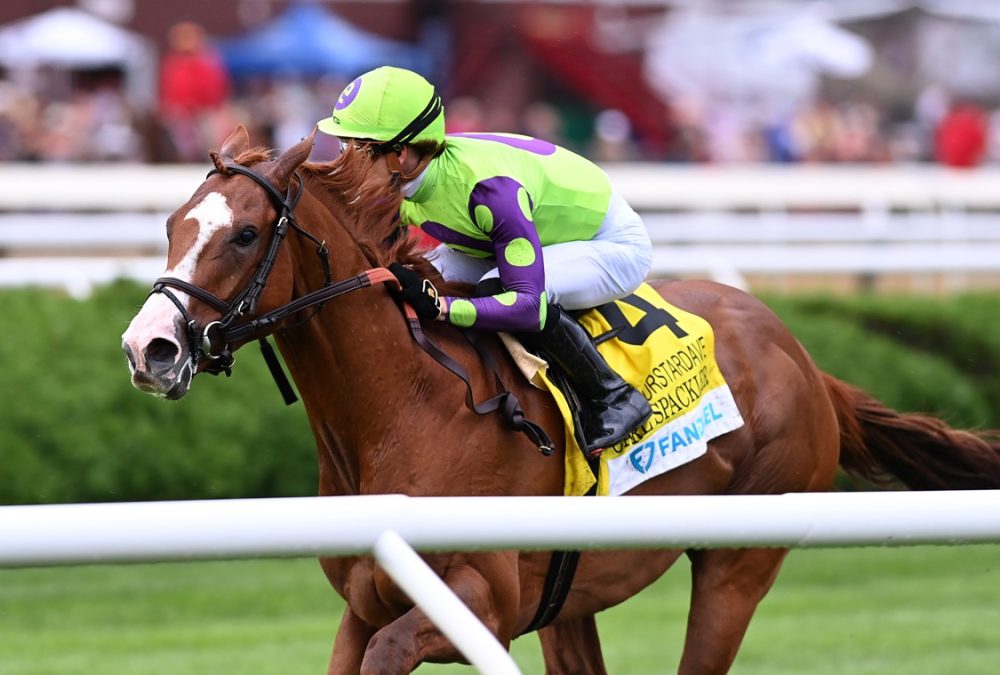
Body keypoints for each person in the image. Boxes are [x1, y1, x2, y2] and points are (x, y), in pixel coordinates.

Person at [317, 66, 652, 455]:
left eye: (355, 148)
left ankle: (612, 395)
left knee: (496, 289)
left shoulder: (490, 191)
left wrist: (442, 307)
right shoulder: (401, 178)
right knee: (411, 281)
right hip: (498, 240)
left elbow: (525, 305)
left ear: (400, 154)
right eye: (343, 146)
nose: (343, 161)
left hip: (607, 242)